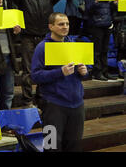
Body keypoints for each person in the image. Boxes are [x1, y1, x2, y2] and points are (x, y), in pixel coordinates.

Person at [31, 13, 88, 152]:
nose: (65, 27)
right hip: (54, 106)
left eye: (67, 24)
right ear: (51, 26)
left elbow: (80, 75)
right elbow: (35, 76)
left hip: (76, 105)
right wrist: (60, 72)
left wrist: (84, 72)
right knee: (52, 147)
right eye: (61, 24)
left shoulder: (73, 45)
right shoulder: (42, 47)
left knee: (73, 147)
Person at [12, 0, 67, 107]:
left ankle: (42, 97)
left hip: (46, 37)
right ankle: (27, 100)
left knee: (47, 69)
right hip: (28, 37)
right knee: (28, 71)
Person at [83, 0, 116, 81]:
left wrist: (114, 3)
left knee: (105, 50)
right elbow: (87, 10)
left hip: (107, 25)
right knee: (97, 51)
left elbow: (110, 10)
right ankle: (97, 72)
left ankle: (105, 72)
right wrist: (96, 2)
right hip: (96, 26)